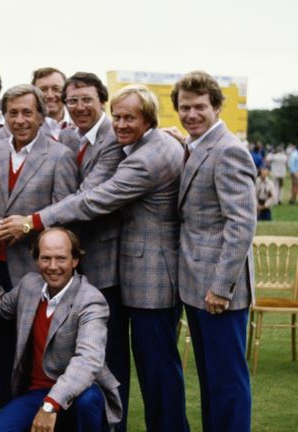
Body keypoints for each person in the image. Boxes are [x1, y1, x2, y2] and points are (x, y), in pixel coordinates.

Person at [38, 84, 188, 431]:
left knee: (158, 367)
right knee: (129, 363)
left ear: (149, 118)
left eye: (129, 117)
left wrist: (36, 220)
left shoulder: (150, 154)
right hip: (129, 271)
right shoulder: (142, 143)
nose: (120, 124)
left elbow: (95, 200)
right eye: (117, 117)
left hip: (153, 274)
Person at [0, 84, 78, 428]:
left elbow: (66, 213)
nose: (20, 119)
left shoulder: (60, 156)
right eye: (13, 112)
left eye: (28, 112)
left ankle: (14, 408)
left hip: (32, 267)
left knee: (19, 344)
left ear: (42, 115)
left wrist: (28, 228)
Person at [0, 228, 121, 431]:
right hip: (36, 393)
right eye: (46, 258)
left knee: (88, 400)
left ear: (74, 260)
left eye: (61, 258)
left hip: (79, 393)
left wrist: (51, 404)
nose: (53, 266)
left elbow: (88, 360)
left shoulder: (90, 300)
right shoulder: (29, 285)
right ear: (36, 259)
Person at [172, 71, 257, 432]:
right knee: (210, 379)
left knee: (227, 381)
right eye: (184, 107)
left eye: (200, 107)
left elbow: (240, 226)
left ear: (217, 107)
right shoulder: (195, 146)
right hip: (196, 284)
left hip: (220, 290)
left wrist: (221, 287)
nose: (191, 114)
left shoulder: (229, 150)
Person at [56, 71, 128, 431]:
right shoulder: (67, 136)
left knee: (109, 353)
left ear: (102, 100)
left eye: (87, 99)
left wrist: (34, 220)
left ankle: (115, 423)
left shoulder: (114, 139)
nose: (80, 107)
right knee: (78, 350)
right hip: (73, 265)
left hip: (106, 265)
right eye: (72, 101)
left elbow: (88, 198)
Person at [31, 67, 71, 140]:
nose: (50, 95)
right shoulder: (26, 127)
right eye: (43, 89)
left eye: (56, 89)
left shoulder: (80, 125)